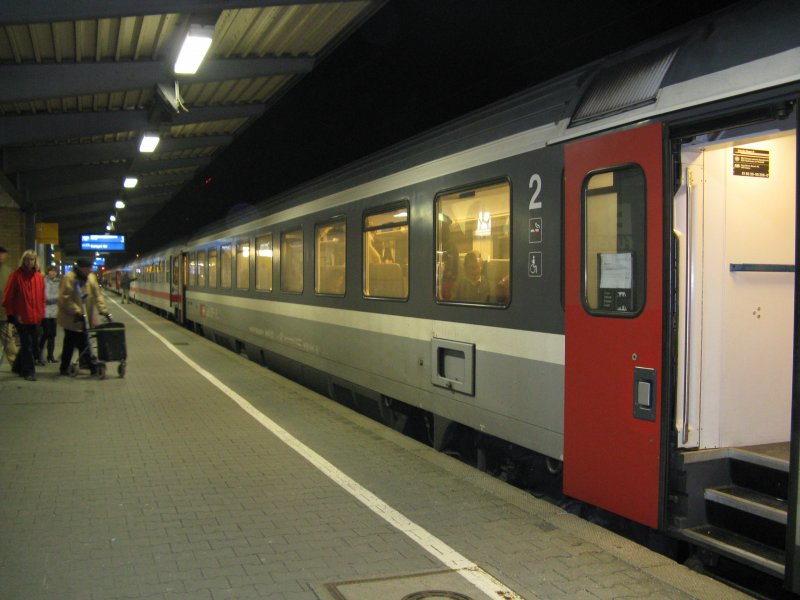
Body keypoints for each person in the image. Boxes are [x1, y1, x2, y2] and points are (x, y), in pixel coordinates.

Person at [58, 257, 110, 375]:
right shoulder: (69, 278)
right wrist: (76, 311)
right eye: (88, 268)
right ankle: (71, 367)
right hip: (71, 318)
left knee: (81, 342)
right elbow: (65, 299)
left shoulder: (91, 278)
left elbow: (98, 294)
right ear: (81, 268)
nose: (91, 270)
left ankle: (83, 365)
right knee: (72, 343)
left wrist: (103, 309)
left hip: (84, 317)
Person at [2, 250, 45, 381]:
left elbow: (42, 297)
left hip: (34, 317)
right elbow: (8, 296)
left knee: (31, 344)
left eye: (32, 259)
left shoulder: (39, 277)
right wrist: (10, 314)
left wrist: (41, 314)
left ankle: (17, 366)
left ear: (35, 261)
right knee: (27, 344)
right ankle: (28, 371)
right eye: (27, 259)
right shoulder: (15, 276)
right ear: (23, 260)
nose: (29, 262)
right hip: (21, 317)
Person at [38, 265, 60, 364]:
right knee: (46, 333)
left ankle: (50, 356)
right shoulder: (43, 281)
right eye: (51, 270)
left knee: (53, 335)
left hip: (55, 312)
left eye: (54, 271)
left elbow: (60, 295)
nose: (53, 272)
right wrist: (53, 299)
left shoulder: (59, 282)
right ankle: (38, 354)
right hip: (45, 311)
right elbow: (44, 295)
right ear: (48, 272)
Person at [0, 246, 18, 365]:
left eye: (3, 254)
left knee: (8, 340)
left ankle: (16, 364)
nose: (1, 257)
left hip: (3, 312)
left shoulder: (9, 272)